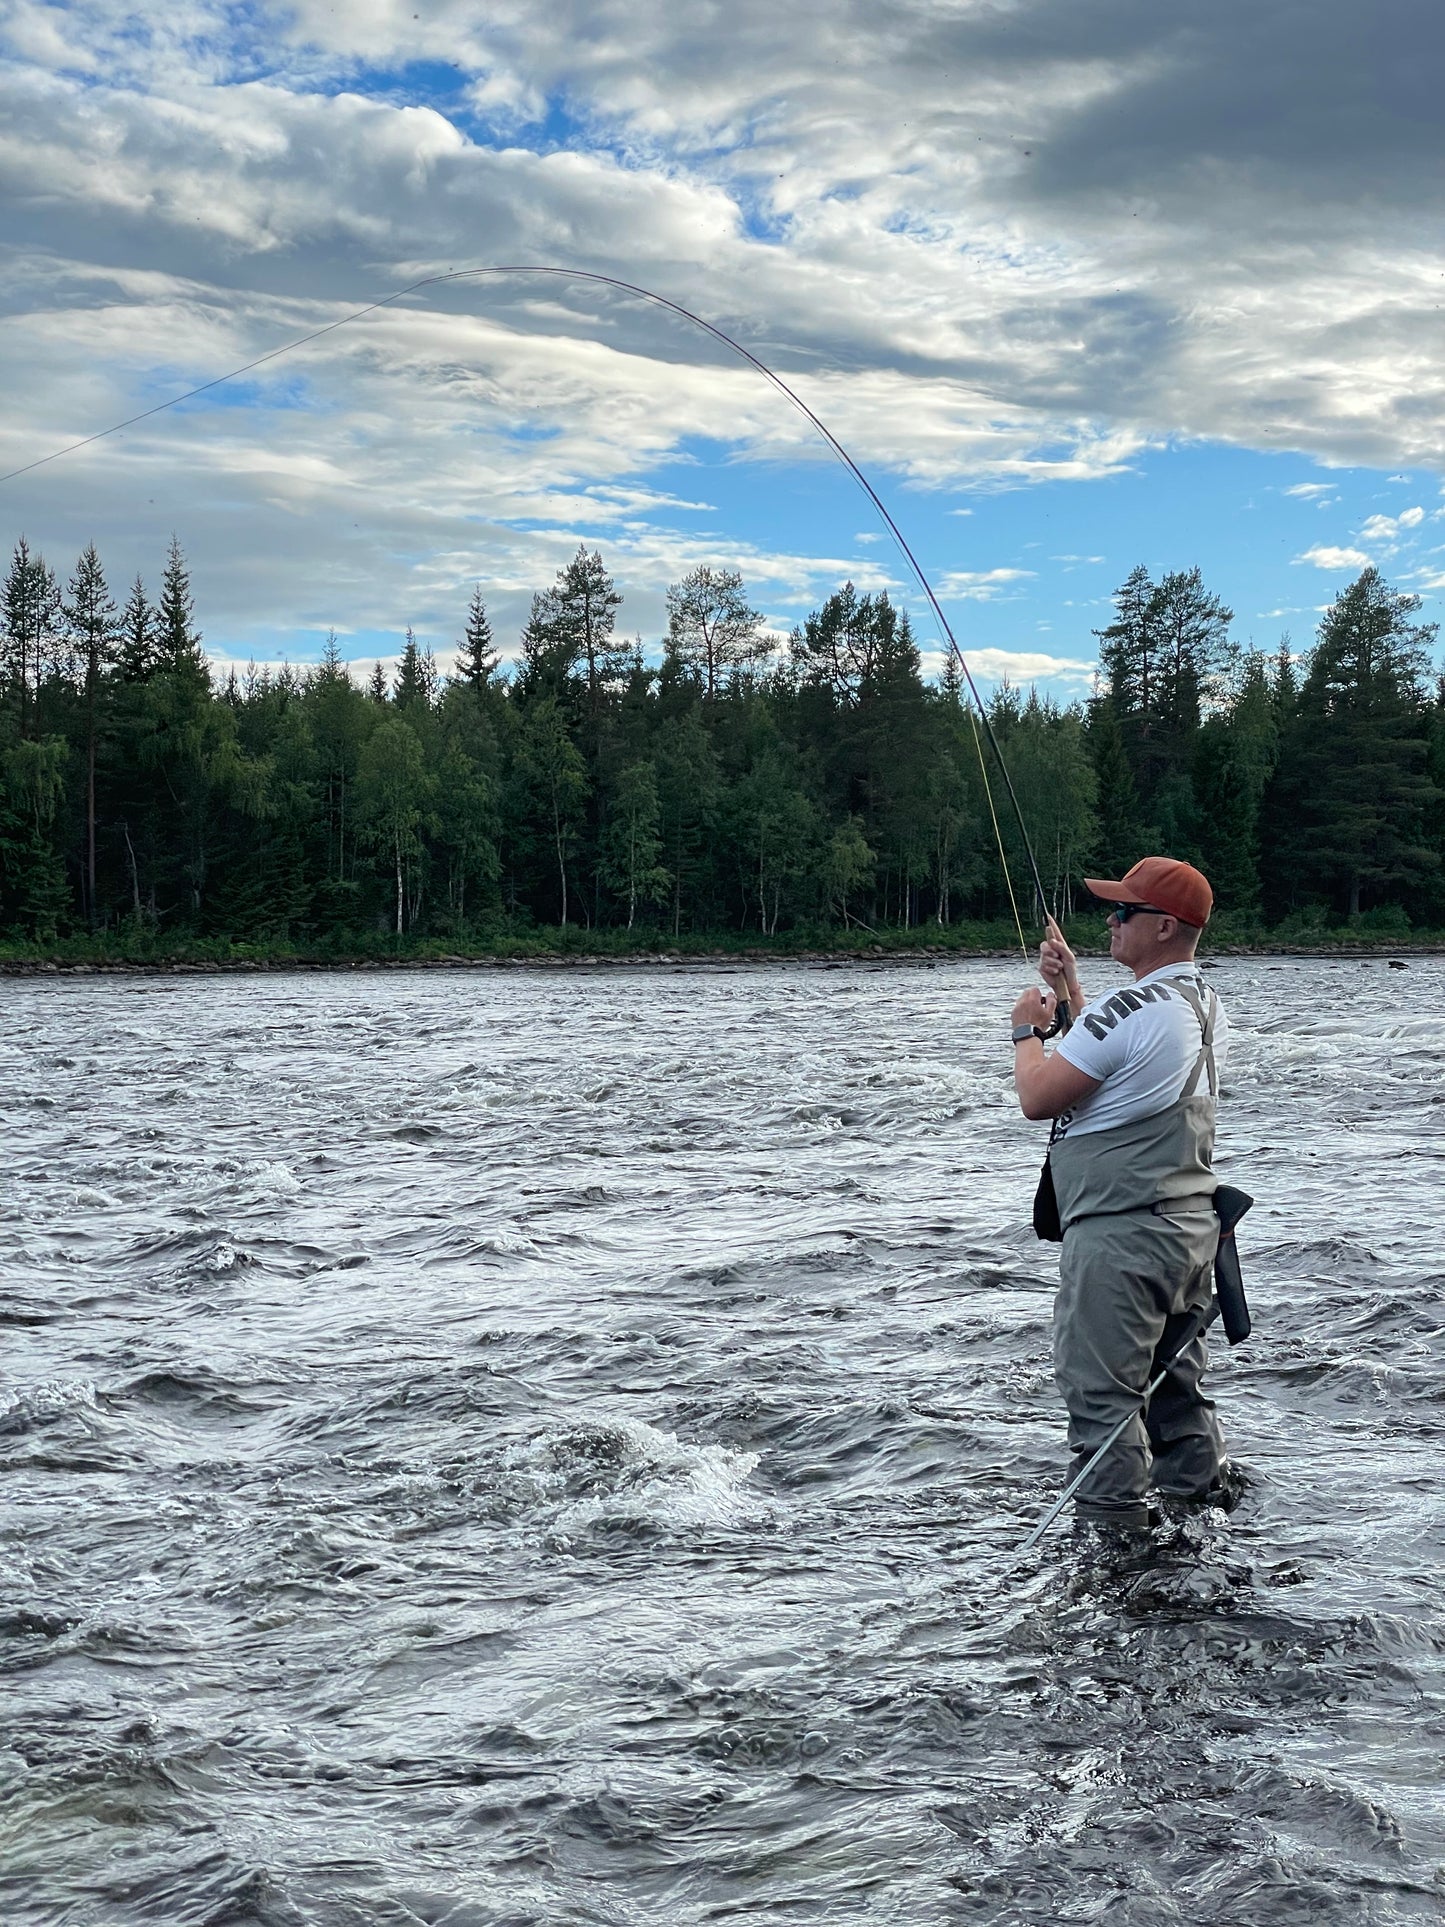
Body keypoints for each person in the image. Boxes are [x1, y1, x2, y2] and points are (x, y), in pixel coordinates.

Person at [1007, 856, 1234, 1535]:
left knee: (1103, 1403)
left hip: (1120, 1241)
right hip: (1190, 1236)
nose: (1109, 919)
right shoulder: (1200, 1003)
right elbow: (1120, 1056)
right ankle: (1202, 1522)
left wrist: (1025, 1029)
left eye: (1122, 912)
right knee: (1175, 1395)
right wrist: (1072, 982)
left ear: (1164, 926)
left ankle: (1114, 1557)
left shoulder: (1124, 1010)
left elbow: (1036, 1096)